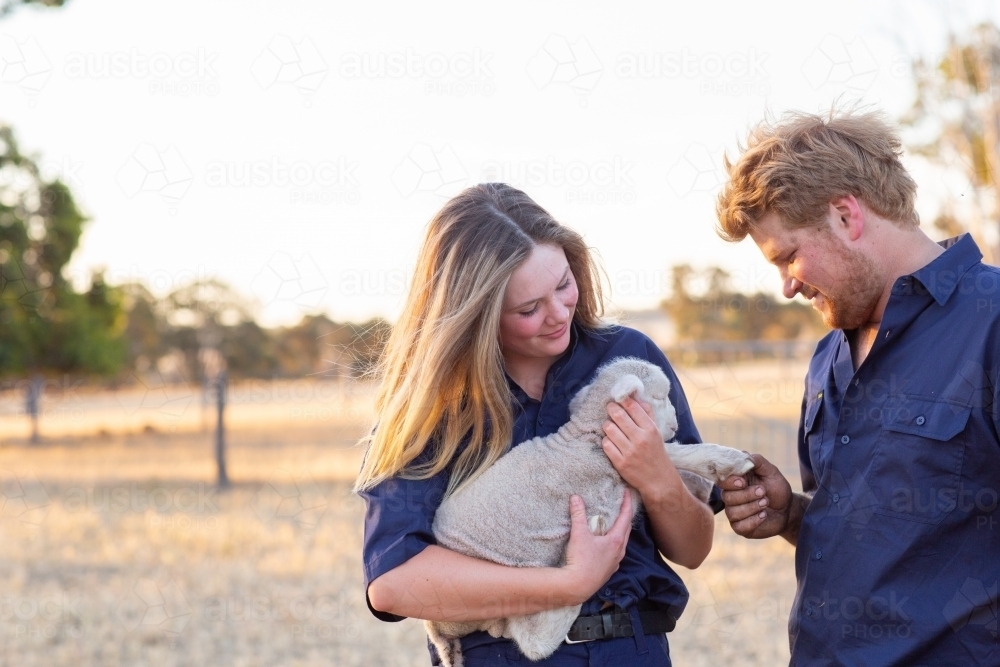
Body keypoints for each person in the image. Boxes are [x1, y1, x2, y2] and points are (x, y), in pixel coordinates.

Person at [355, 183, 721, 666]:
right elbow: (393, 583)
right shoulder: (433, 408)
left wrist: (658, 477)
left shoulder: (627, 360)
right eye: (529, 309)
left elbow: (693, 549)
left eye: (564, 285)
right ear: (477, 318)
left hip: (633, 648)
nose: (558, 313)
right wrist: (569, 585)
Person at [714, 108, 1000, 665]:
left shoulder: (991, 323)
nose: (787, 287)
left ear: (846, 215)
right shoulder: (827, 356)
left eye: (789, 257)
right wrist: (793, 516)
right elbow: (877, 533)